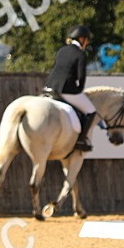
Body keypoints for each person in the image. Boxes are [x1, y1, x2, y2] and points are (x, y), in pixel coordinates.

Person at [43, 24, 97, 152]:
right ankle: (80, 140)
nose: (87, 43)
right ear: (82, 39)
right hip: (66, 89)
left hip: (49, 86)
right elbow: (81, 77)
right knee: (91, 111)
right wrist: (79, 90)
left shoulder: (62, 50)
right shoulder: (80, 54)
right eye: (87, 40)